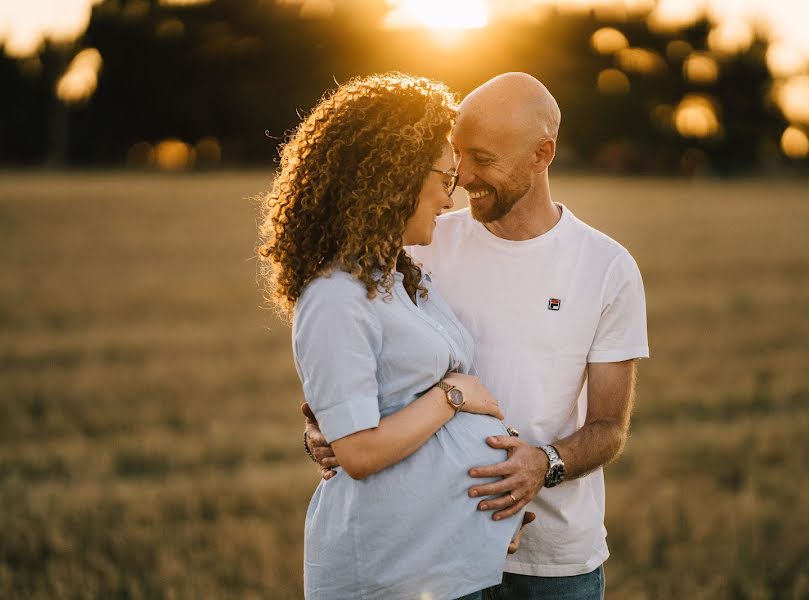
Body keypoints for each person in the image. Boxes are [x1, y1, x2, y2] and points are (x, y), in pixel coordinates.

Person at [306, 72, 649, 599]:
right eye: (459, 155)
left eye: (484, 160)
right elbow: (347, 359)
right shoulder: (419, 242)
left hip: (553, 562)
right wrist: (321, 430)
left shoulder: (606, 267)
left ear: (542, 154)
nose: (463, 176)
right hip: (434, 551)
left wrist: (544, 465)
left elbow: (608, 426)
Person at [258, 73, 524, 600]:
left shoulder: (402, 278)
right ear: (396, 175)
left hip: (447, 559)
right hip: (392, 572)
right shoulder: (335, 295)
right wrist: (453, 396)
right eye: (446, 178)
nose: (453, 197)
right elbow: (357, 454)